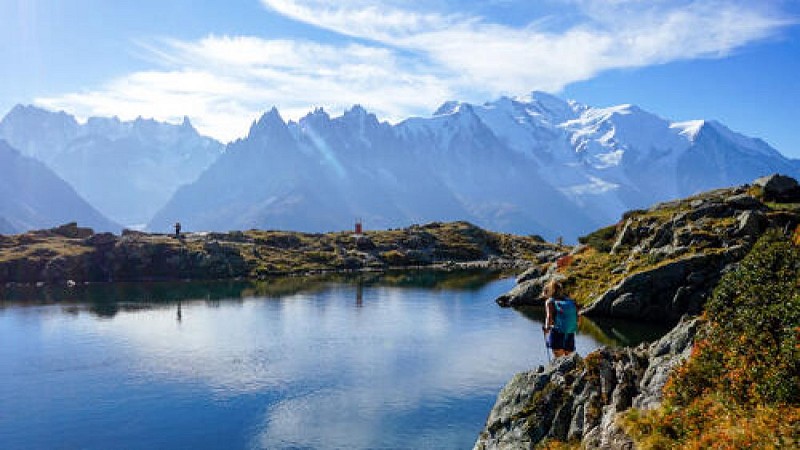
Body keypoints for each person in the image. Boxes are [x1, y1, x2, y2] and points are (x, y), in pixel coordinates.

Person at [542, 279, 579, 358]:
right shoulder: (570, 301)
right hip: (570, 334)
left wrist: (546, 328)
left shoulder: (550, 302)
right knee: (569, 360)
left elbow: (549, 317)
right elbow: (578, 318)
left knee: (559, 360)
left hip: (557, 333)